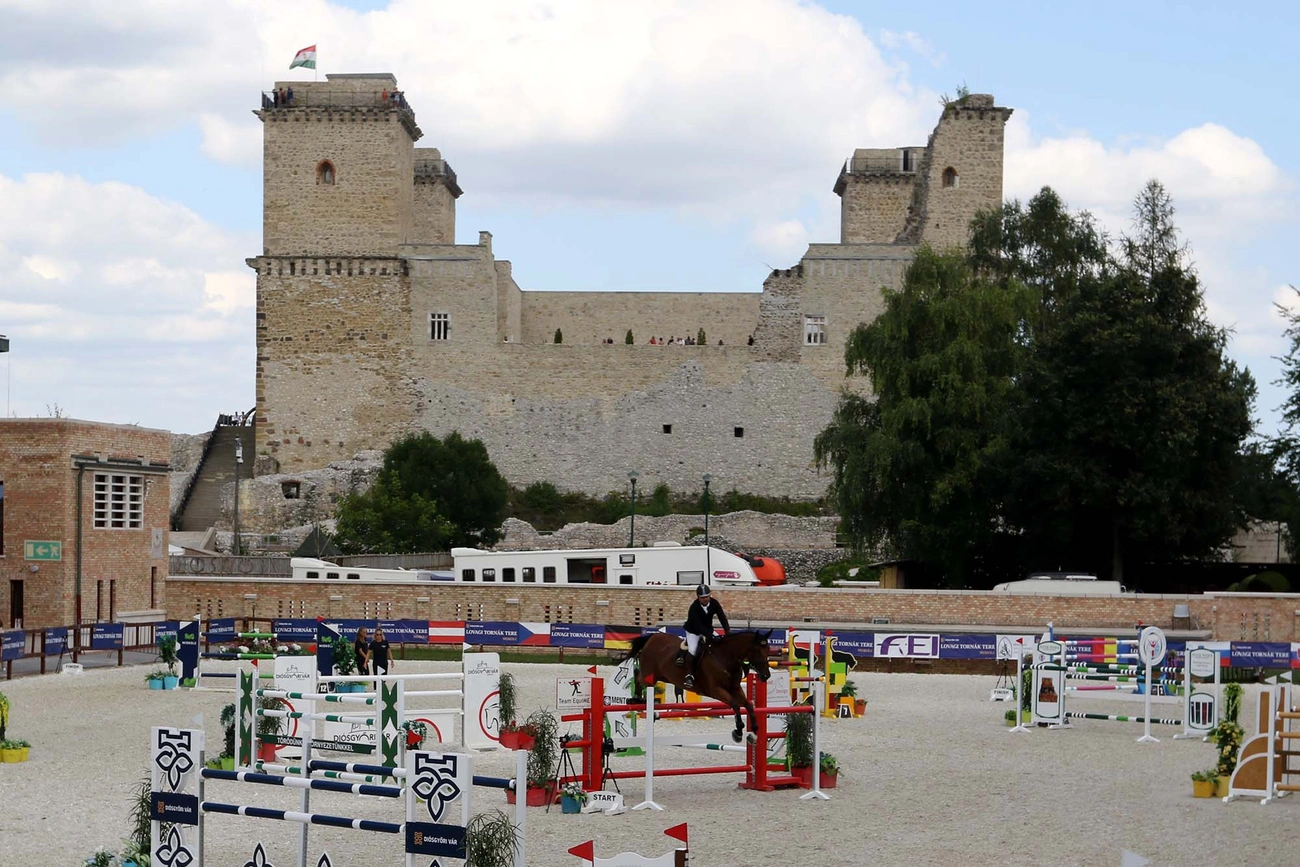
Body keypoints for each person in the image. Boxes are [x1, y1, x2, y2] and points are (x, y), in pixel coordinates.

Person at [681, 584, 729, 689]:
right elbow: (698, 626)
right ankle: (689, 675)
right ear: (698, 597)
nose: (705, 599)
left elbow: (722, 617)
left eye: (707, 596)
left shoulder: (714, 603)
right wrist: (711, 635)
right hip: (694, 631)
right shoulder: (694, 607)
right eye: (702, 597)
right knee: (693, 650)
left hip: (708, 629)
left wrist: (727, 631)